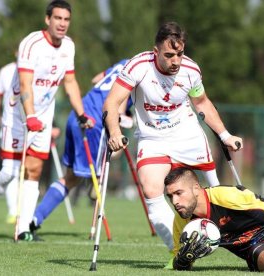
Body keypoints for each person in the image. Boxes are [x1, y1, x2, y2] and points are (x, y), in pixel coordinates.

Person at [103, 22, 243, 251]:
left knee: (214, 189)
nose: (175, 61)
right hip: (152, 139)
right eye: (169, 55)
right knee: (151, 188)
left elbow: (202, 103)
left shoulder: (191, 70)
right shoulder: (138, 66)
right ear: (155, 51)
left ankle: (237, 233)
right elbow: (112, 102)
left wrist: (225, 135)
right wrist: (115, 132)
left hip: (187, 134)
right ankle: (179, 248)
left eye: (179, 53)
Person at [1, 0, 94, 241]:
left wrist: (82, 114)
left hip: (43, 114)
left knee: (34, 169)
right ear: (47, 19)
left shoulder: (69, 47)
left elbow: (70, 82)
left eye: (66, 19)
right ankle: (0, 187)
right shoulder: (31, 44)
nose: (62, 24)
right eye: (58, 18)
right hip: (19, 112)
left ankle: (23, 230)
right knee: (9, 172)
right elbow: (25, 84)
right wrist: (30, 115)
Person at [29, 59, 132, 234]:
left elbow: (95, 80)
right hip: (94, 123)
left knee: (70, 177)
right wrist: (123, 116)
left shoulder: (124, 63)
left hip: (77, 114)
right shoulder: (140, 71)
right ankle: (95, 182)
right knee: (79, 177)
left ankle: (34, 218)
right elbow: (121, 102)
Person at [0, 58, 18, 224]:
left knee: (28, 170)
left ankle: (23, 213)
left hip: (31, 127)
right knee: (11, 169)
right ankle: (13, 210)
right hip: (10, 126)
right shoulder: (6, 71)